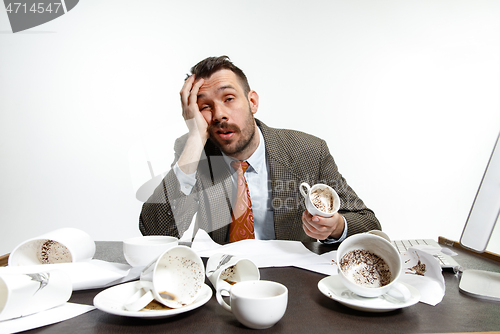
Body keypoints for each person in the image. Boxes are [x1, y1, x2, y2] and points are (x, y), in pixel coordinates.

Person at [139, 56, 381, 244]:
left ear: (252, 102)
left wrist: (336, 226)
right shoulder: (194, 152)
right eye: (205, 106)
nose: (219, 114)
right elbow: (154, 232)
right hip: (223, 283)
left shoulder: (309, 152)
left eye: (229, 98)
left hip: (293, 281)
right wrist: (194, 140)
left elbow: (369, 224)